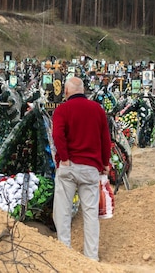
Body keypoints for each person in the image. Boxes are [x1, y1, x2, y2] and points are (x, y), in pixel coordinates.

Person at [51, 76, 111, 261]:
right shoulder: (97, 110)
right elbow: (105, 139)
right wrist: (104, 163)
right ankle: (91, 257)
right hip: (91, 168)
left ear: (66, 92)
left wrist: (65, 158)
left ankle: (64, 252)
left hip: (69, 167)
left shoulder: (62, 110)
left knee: (62, 211)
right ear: (83, 90)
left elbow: (57, 135)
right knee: (90, 214)